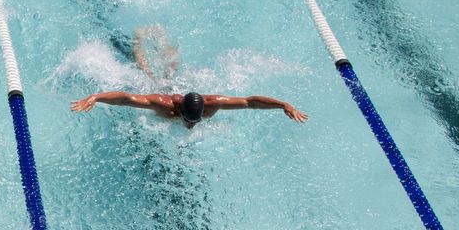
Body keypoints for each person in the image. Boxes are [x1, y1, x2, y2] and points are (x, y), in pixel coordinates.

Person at [71, 90, 308, 127]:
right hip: (164, 94)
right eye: (188, 120)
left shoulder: (213, 103)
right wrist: (97, 97)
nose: (191, 125)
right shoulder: (162, 104)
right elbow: (126, 98)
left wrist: (283, 105)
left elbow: (249, 102)